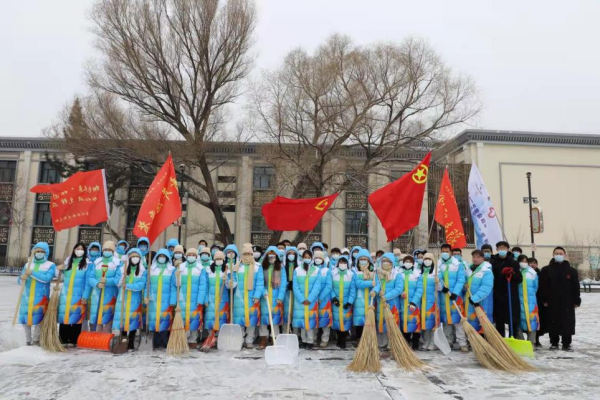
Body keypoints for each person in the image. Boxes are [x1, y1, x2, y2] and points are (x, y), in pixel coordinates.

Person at [538, 247, 581, 351]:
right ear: (553, 255)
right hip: (552, 301)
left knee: (567, 323)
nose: (558, 255)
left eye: (560, 253)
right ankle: (554, 342)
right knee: (553, 322)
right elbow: (543, 286)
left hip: (567, 301)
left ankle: (567, 343)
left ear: (564, 255)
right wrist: (544, 299)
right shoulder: (546, 270)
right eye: (556, 253)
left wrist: (576, 300)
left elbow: (576, 286)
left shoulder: (571, 271)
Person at [17, 242, 56, 346]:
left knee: (38, 319)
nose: (39, 253)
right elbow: (20, 280)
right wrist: (22, 278)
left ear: (46, 253)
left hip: (40, 297)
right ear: (33, 252)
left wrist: (32, 273)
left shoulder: (50, 265)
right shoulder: (28, 264)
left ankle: (36, 339)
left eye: (41, 251)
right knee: (25, 318)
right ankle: (27, 340)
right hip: (27, 296)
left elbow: (47, 279)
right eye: (37, 251)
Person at [227, 244, 264, 349]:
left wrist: (257, 295)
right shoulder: (237, 266)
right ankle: (240, 339)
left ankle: (249, 340)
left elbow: (260, 283)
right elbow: (233, 281)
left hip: (252, 297)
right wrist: (230, 283)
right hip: (239, 298)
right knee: (239, 320)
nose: (247, 255)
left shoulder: (257, 267)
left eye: (249, 253)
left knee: (251, 321)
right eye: (245, 254)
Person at [57, 242, 92, 347]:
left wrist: (85, 296)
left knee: (76, 318)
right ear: (73, 250)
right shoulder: (68, 263)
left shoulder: (87, 264)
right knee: (64, 317)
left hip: (79, 295)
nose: (79, 251)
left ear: (85, 251)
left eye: (81, 249)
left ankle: (73, 340)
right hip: (65, 295)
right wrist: (58, 270)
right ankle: (63, 339)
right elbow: (61, 278)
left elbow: (88, 282)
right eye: (77, 248)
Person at [113, 248, 147, 351]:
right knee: (122, 319)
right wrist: (121, 278)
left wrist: (127, 285)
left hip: (135, 300)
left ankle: (131, 341)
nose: (135, 258)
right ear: (129, 257)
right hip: (123, 298)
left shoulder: (143, 271)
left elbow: (140, 285)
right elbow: (116, 282)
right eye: (133, 256)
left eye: (137, 257)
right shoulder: (122, 269)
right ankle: (123, 339)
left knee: (132, 321)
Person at [438, 243, 468, 352]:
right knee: (446, 321)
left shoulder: (457, 264)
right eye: (443, 251)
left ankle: (462, 342)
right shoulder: (438, 264)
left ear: (450, 252)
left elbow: (461, 279)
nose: (445, 253)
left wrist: (455, 292)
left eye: (447, 251)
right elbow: (437, 277)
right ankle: (448, 341)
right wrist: (442, 287)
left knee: (458, 319)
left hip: (455, 297)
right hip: (443, 296)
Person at [88, 241, 121, 333]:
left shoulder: (117, 263)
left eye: (110, 250)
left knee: (108, 315)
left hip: (110, 294)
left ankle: (106, 336)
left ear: (113, 251)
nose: (107, 251)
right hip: (97, 294)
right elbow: (91, 277)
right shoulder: (97, 262)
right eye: (105, 249)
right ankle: (96, 336)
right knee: (97, 314)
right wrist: (97, 284)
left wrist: (107, 281)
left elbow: (118, 279)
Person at [148, 248, 177, 350]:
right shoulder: (151, 269)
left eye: (164, 257)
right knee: (154, 320)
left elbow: (174, 287)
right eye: (160, 256)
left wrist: (173, 301)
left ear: (167, 258)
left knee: (165, 321)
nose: (162, 258)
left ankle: (164, 342)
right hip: (154, 300)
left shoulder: (171, 270)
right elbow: (148, 285)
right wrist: (146, 297)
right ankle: (155, 342)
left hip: (166, 300)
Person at [491, 241, 522, 338]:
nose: (502, 249)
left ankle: (513, 337)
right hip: (498, 294)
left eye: (504, 248)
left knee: (512, 319)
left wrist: (512, 274)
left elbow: (519, 279)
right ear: (497, 249)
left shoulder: (514, 262)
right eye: (499, 248)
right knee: (499, 319)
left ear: (508, 249)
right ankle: (501, 339)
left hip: (511, 295)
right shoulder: (493, 262)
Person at [292, 248, 322, 349]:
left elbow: (317, 286)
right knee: (302, 321)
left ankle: (310, 340)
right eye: (305, 257)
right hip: (300, 301)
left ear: (312, 258)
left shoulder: (316, 270)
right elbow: (295, 286)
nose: (307, 259)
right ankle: (303, 340)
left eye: (309, 257)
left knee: (310, 321)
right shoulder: (297, 270)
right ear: (302, 258)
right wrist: (301, 299)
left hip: (311, 301)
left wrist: (310, 298)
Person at [259, 246, 286, 349]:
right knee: (264, 318)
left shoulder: (281, 268)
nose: (271, 257)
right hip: (265, 296)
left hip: (276, 296)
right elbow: (260, 281)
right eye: (270, 255)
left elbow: (283, 283)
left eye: (274, 255)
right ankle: (263, 337)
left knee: (275, 318)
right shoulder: (263, 267)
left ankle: (274, 337)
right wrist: (262, 292)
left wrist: (280, 297)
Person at [373, 253, 399, 349]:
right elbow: (377, 285)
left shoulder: (396, 274)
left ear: (392, 263)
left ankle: (392, 342)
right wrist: (375, 291)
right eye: (384, 261)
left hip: (392, 303)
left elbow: (399, 289)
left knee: (392, 323)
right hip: (381, 302)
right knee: (381, 320)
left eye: (388, 261)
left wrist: (387, 296)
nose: (386, 263)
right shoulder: (379, 274)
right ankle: (382, 341)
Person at [464, 250, 494, 334]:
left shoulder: (486, 271)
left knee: (482, 324)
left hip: (482, 303)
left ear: (483, 258)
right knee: (472, 323)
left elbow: (486, 287)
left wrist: (474, 298)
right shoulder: (470, 270)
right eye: (474, 257)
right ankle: (474, 342)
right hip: (471, 302)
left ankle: (484, 343)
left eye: (478, 257)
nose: (475, 259)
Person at [203, 250, 228, 350]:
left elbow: (232, 285)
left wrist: (228, 282)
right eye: (217, 259)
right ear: (214, 260)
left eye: (220, 259)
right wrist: (205, 299)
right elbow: (206, 286)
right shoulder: (208, 271)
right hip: (211, 299)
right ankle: (211, 337)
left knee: (222, 319)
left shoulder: (227, 270)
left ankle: (219, 338)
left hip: (223, 299)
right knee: (210, 319)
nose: (219, 260)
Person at [330, 256, 357, 349]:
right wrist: (333, 298)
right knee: (337, 321)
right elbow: (331, 287)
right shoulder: (333, 274)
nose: (342, 264)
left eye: (344, 262)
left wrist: (350, 302)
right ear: (337, 264)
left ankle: (343, 339)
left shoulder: (351, 275)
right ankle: (339, 339)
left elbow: (353, 290)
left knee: (346, 322)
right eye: (340, 262)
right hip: (336, 303)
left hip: (346, 302)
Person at [352, 249, 377, 342]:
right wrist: (371, 283)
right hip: (359, 300)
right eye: (361, 259)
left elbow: (377, 284)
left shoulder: (374, 272)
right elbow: (358, 284)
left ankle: (368, 340)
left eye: (365, 259)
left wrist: (375, 289)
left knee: (369, 321)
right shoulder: (355, 272)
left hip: (370, 299)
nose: (363, 261)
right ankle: (359, 339)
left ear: (369, 260)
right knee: (359, 321)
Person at [398, 255, 423, 350]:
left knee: (415, 322)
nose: (408, 263)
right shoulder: (399, 274)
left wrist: (414, 301)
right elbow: (398, 286)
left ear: (413, 263)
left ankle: (415, 341)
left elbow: (419, 289)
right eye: (406, 261)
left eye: (410, 261)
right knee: (404, 322)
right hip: (403, 303)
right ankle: (406, 341)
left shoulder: (417, 275)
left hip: (414, 303)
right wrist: (401, 293)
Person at [516, 254, 539, 347]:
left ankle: (531, 343)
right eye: (522, 261)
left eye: (526, 261)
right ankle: (521, 342)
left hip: (531, 302)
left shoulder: (532, 272)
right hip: (518, 301)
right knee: (518, 322)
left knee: (532, 321)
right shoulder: (516, 271)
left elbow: (535, 287)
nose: (524, 263)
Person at [419, 253, 438, 351]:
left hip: (433, 301)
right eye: (425, 259)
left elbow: (441, 288)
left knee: (433, 322)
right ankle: (426, 341)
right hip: (423, 301)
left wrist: (438, 282)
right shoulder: (421, 273)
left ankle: (433, 342)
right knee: (425, 323)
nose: (427, 260)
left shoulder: (436, 272)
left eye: (429, 259)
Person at [315, 250, 332, 347]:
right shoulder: (311, 270)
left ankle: (325, 339)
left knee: (325, 320)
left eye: (320, 258)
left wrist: (321, 297)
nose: (318, 259)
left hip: (325, 299)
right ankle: (313, 338)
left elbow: (328, 286)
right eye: (316, 258)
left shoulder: (326, 271)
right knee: (314, 318)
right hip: (313, 299)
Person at [283, 246, 299, 331]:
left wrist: (294, 284)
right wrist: (287, 284)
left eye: (293, 253)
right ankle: (285, 330)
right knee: (286, 311)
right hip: (286, 292)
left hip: (295, 292)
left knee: (295, 311)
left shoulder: (299, 266)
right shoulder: (283, 265)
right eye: (289, 253)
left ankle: (296, 332)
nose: (291, 255)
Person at [528, 257, 544, 347]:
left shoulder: (540, 273)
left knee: (537, 321)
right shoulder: (525, 273)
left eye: (534, 263)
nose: (532, 265)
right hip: (529, 300)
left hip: (538, 300)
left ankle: (536, 339)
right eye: (530, 263)